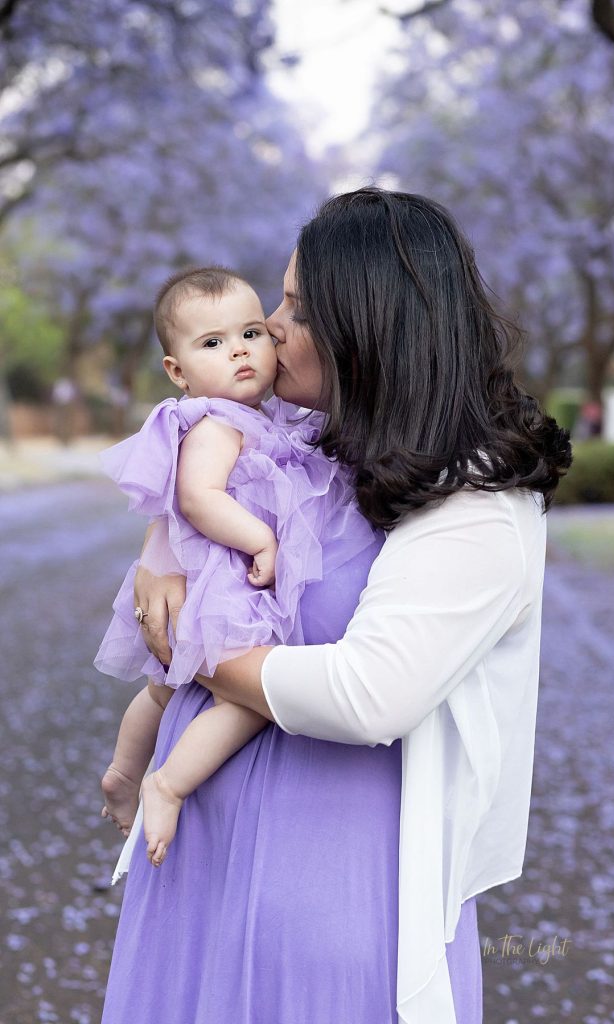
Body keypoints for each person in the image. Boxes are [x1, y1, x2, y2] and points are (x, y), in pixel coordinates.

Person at [101, 187, 571, 1024]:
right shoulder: (318, 442)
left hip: (326, 885)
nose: (270, 327)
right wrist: (159, 557)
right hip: (202, 861)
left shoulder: (474, 502)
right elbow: (198, 481)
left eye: (296, 308)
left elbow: (366, 695)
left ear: (367, 328)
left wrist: (196, 647)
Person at [96, 266, 378, 867]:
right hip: (225, 580)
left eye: (251, 333)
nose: (241, 352)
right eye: (213, 344)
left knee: (162, 689)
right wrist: (262, 543)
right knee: (248, 702)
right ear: (177, 371)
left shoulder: (272, 422)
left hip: (217, 581)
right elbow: (197, 498)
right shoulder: (213, 423)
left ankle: (122, 771)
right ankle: (164, 783)